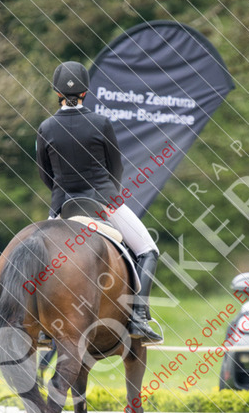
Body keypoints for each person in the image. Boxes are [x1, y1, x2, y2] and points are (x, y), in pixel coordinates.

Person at [36, 60, 162, 344]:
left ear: (57, 92)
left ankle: (43, 325)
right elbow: (116, 167)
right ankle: (138, 317)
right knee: (147, 250)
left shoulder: (46, 127)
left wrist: (61, 195)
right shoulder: (100, 122)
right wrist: (107, 194)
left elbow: (45, 174)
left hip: (63, 205)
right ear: (85, 92)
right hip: (103, 199)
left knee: (39, 259)